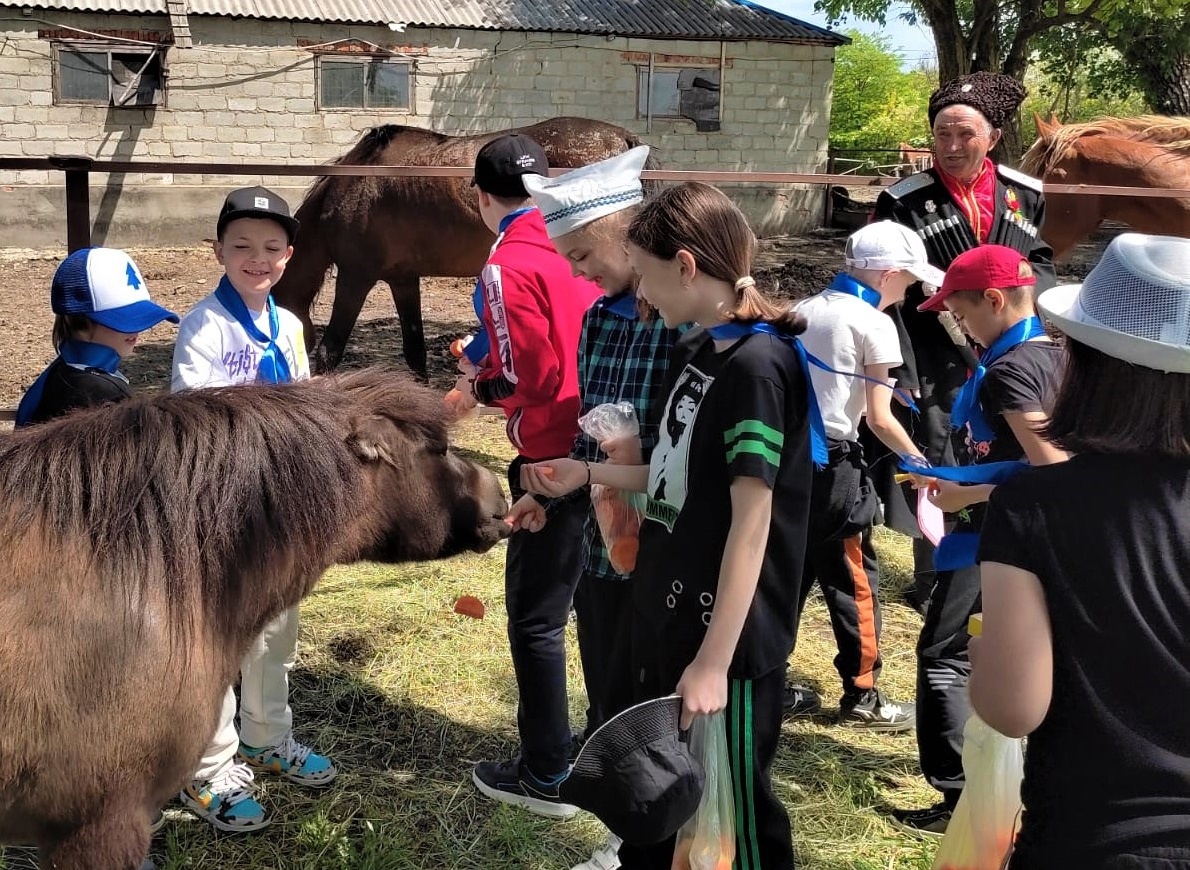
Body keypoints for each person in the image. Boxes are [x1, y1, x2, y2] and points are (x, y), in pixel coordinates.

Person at [521, 182, 817, 870]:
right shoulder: (699, 351)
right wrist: (586, 473)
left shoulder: (758, 367)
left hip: (728, 641)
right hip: (671, 609)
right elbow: (673, 476)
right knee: (665, 797)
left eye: (649, 277)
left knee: (735, 809)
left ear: (686, 265)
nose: (643, 297)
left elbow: (752, 525)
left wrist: (715, 663)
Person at [971, 233, 1190, 868]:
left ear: (1085, 365)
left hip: (1095, 839)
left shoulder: (1034, 506)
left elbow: (1013, 707)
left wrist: (985, 654)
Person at [519, 146, 679, 870]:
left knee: (655, 695)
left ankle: (658, 833)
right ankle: (629, 829)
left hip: (668, 540)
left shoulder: (677, 321)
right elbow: (593, 431)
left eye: (584, 255)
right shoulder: (596, 320)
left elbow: (685, 457)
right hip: (608, 534)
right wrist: (547, 493)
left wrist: (599, 471)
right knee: (608, 687)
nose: (577, 273)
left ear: (628, 234)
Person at [172, 186, 334, 833]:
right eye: (241, 246)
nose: (256, 258)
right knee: (222, 641)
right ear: (218, 251)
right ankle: (207, 768)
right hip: (226, 512)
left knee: (277, 635)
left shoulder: (289, 326)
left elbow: (302, 403)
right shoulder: (202, 327)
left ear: (289, 256)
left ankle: (268, 736)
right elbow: (195, 420)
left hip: (284, 511)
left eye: (271, 248)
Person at [892, 243, 1068, 836]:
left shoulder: (1012, 371)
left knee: (945, 656)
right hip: (1026, 540)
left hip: (993, 539)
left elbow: (1056, 470)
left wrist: (967, 494)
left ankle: (958, 796)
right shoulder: (1057, 356)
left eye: (962, 313)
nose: (958, 324)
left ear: (995, 299)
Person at [870, 71, 1056, 614]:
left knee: (1004, 449)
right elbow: (889, 288)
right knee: (938, 450)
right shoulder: (905, 200)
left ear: (992, 138)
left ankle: (997, 559)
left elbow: (1040, 261)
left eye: (965, 135)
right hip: (933, 354)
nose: (951, 147)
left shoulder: (1024, 195)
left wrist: (1019, 296)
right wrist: (898, 368)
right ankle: (934, 575)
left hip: (1007, 348)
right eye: (941, 135)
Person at [457, 133, 601, 818]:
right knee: (598, 607)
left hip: (548, 452)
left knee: (538, 620)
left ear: (480, 196)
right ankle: (605, 751)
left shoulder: (506, 263)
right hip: (608, 445)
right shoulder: (579, 243)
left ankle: (546, 772)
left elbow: (528, 374)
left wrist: (483, 386)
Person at [789, 221, 943, 731]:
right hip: (834, 467)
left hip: (786, 463)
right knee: (854, 578)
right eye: (908, 280)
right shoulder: (875, 324)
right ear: (890, 273)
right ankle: (862, 695)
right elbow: (879, 418)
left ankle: (768, 679)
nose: (910, 290)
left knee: (786, 575)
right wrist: (919, 459)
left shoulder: (803, 309)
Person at [16, 247, 178, 427]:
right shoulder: (100, 394)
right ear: (78, 322)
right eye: (122, 321)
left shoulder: (60, 372)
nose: (136, 330)